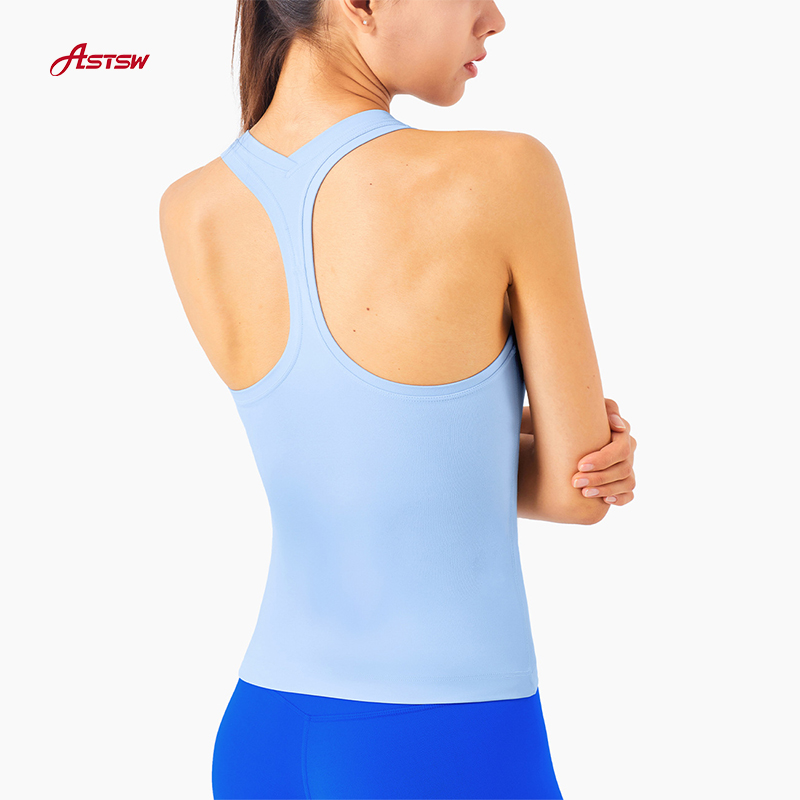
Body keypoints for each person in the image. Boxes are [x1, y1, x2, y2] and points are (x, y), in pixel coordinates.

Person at [159, 1, 637, 798]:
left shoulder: (191, 207)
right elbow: (577, 493)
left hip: (264, 733)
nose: (494, 18)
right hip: (446, 739)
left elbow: (349, 457)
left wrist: (485, 440)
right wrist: (544, 449)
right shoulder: (505, 174)